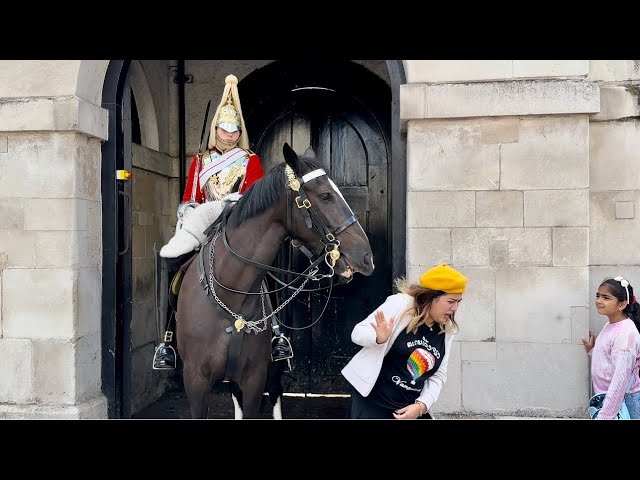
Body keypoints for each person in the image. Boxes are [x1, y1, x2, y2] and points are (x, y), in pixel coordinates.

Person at [152, 74, 293, 370]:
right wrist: (189, 211)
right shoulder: (200, 161)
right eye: (224, 128)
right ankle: (167, 339)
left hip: (237, 227)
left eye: (234, 129)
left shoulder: (249, 160)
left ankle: (278, 334)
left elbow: (254, 196)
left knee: (263, 272)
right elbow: (190, 194)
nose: (229, 134)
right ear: (216, 129)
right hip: (204, 226)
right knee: (176, 269)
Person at [341, 263, 466, 419]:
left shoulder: (447, 329)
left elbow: (438, 376)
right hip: (373, 403)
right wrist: (378, 338)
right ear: (432, 297)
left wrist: (421, 406)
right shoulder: (401, 305)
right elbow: (357, 333)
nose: (455, 308)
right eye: (451, 301)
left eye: (458, 302)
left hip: (408, 410)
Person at [581, 276, 640, 419]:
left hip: (622, 402)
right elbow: (612, 361)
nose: (598, 301)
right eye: (598, 295)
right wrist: (593, 351)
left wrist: (605, 416)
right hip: (609, 400)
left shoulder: (625, 335)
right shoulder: (611, 325)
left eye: (606, 298)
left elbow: (620, 382)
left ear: (621, 305)